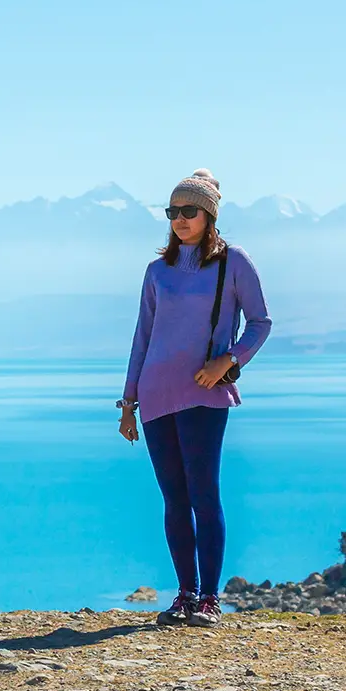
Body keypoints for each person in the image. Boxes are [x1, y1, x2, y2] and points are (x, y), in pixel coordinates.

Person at [117, 169, 271, 627]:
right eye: (173, 212)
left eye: (189, 211)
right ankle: (183, 595)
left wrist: (229, 361)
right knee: (173, 499)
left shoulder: (232, 262)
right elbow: (142, 337)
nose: (180, 220)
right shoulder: (156, 271)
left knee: (205, 495)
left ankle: (209, 598)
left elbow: (260, 323)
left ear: (209, 215)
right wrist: (128, 403)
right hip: (155, 395)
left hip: (204, 394)